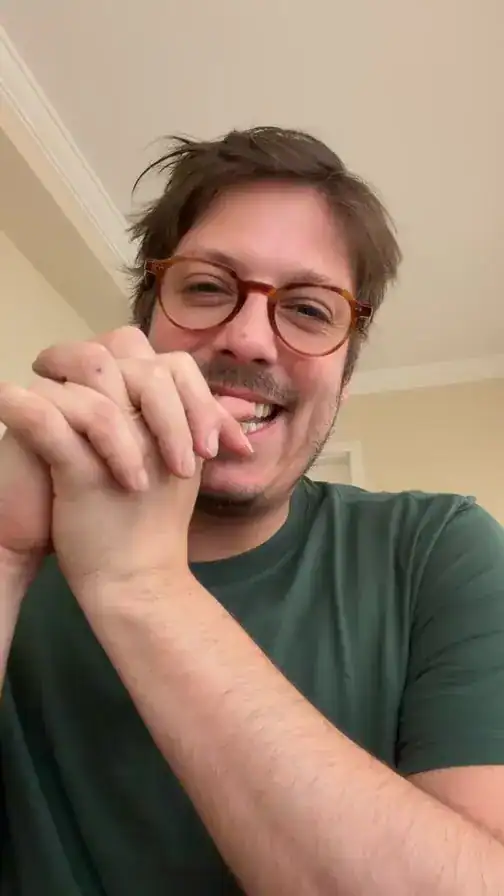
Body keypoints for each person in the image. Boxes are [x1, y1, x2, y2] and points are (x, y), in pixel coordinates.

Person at [0, 126, 503, 896]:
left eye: (307, 309)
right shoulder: (21, 535)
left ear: (347, 372)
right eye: (206, 287)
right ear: (145, 326)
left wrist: (142, 586)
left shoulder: (440, 549)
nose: (246, 338)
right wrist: (4, 557)